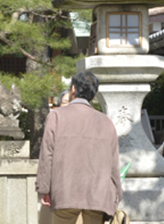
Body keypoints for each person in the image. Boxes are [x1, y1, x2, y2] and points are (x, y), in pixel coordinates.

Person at [37, 71, 122, 224]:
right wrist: (116, 195)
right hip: (97, 194)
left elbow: (47, 154)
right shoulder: (106, 122)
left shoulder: (56, 116)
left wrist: (44, 188)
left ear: (73, 89)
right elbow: (114, 165)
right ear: (93, 95)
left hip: (65, 191)